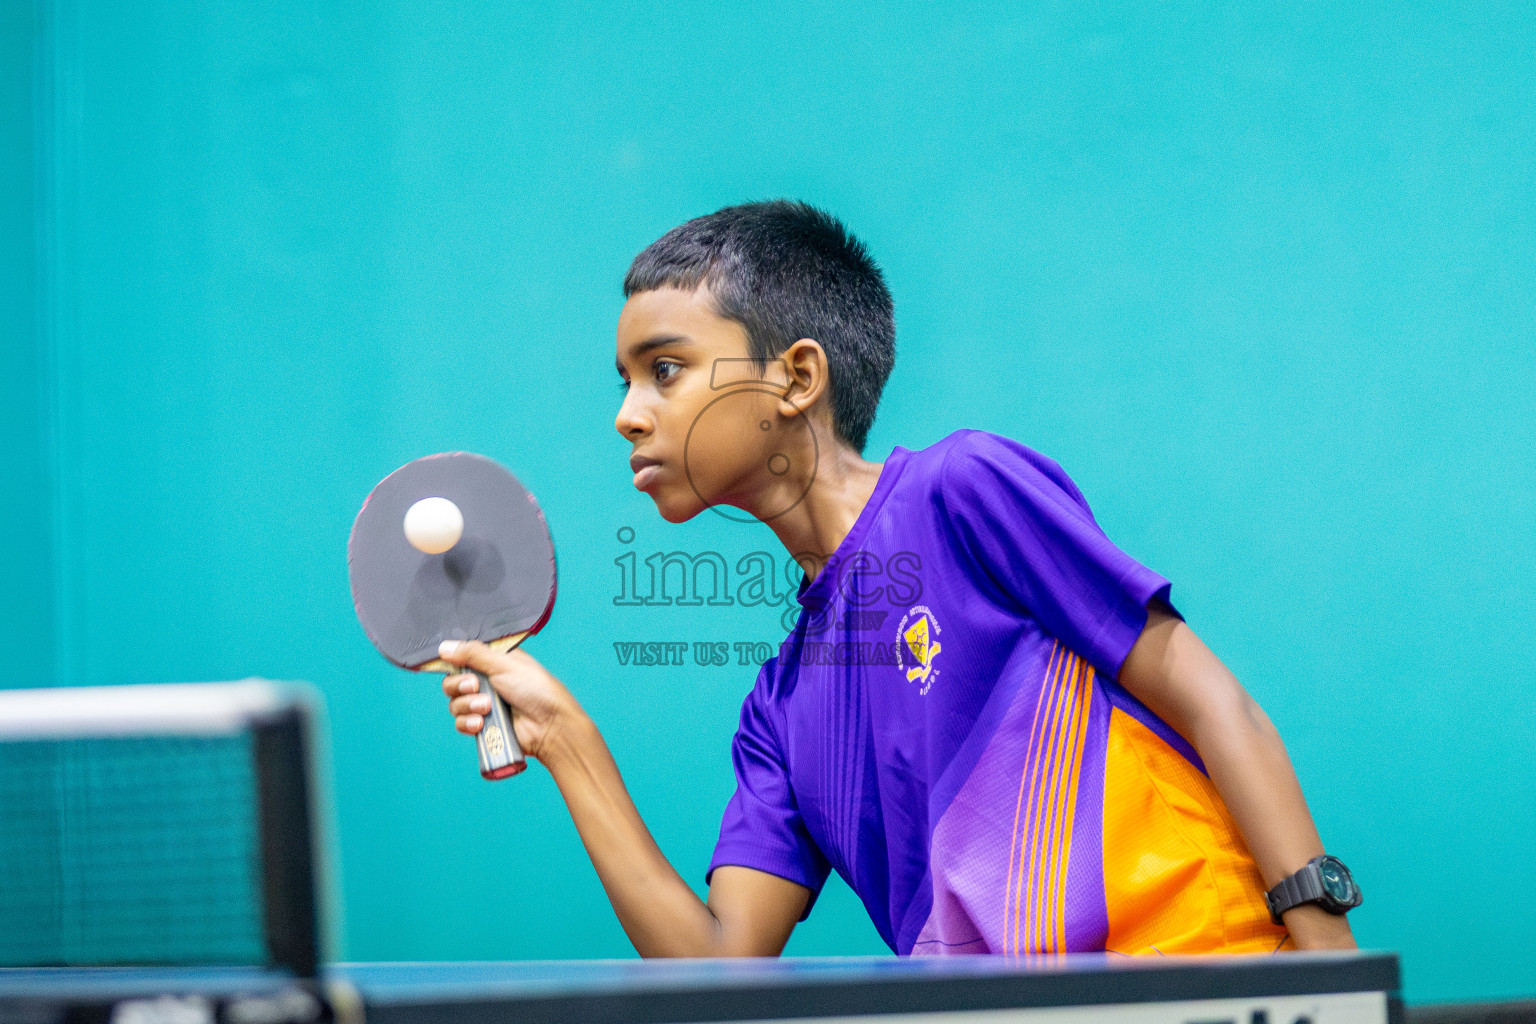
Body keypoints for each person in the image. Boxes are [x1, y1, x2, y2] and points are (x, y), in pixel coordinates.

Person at [437, 200, 1361, 956]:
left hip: (1205, 979)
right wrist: (565, 739)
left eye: (665, 370)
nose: (628, 417)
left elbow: (1213, 702)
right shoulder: (781, 712)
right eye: (624, 381)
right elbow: (721, 974)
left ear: (796, 378)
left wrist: (1328, 964)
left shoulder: (965, 491)